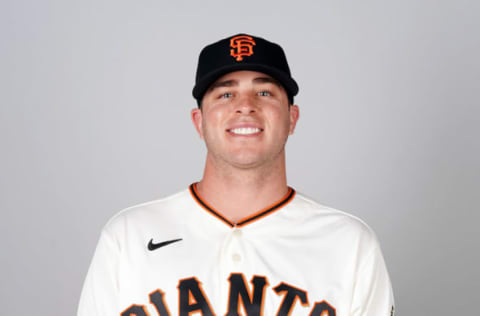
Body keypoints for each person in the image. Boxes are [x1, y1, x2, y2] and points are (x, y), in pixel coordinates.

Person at [78, 33, 395, 316]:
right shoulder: (128, 237)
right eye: (225, 94)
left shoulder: (349, 245)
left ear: (292, 118)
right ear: (198, 121)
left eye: (265, 93)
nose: (245, 106)